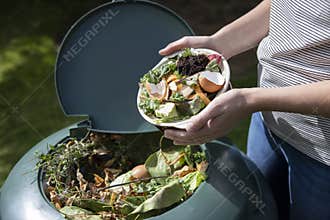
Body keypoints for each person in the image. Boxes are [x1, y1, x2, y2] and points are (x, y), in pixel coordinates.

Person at [159, 0, 330, 219]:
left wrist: (251, 100)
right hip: (267, 123)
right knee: (256, 210)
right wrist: (219, 44)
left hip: (322, 157)